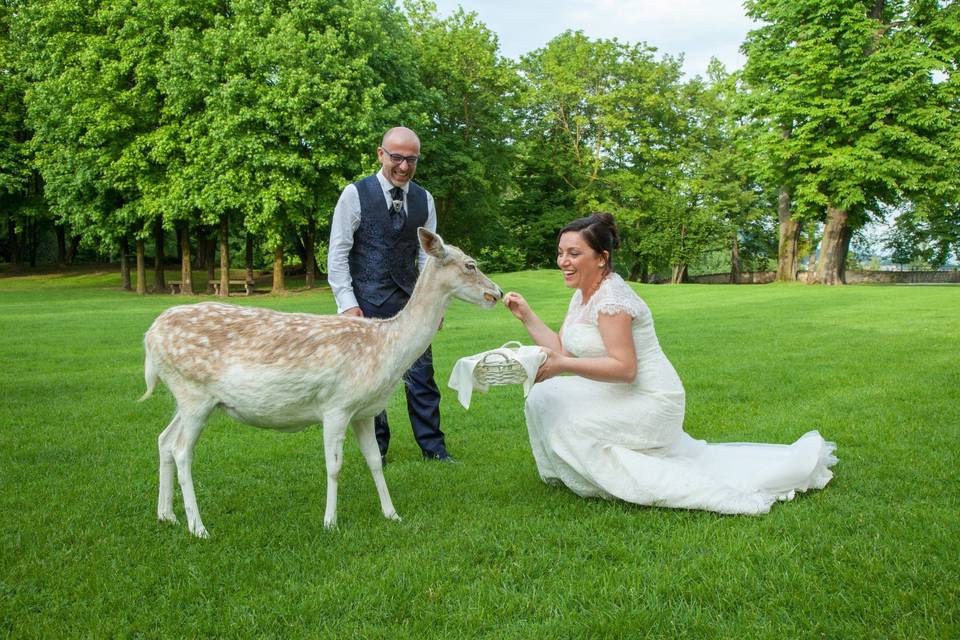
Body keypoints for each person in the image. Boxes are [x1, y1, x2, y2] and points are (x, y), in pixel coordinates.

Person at [503, 213, 836, 514]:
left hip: (651, 399)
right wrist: (527, 316)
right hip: (621, 393)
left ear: (602, 258)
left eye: (573, 253)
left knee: (569, 417)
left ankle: (614, 483)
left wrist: (563, 367)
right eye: (561, 252)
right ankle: (573, 475)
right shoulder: (582, 295)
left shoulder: (611, 300)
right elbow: (563, 349)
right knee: (544, 397)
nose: (563, 261)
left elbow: (624, 368)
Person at [327, 126, 455, 463]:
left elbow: (429, 258)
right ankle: (378, 450)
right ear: (381, 154)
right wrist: (347, 305)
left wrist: (435, 305)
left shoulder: (424, 199)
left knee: (422, 376)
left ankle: (434, 448)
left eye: (411, 159)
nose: (403, 166)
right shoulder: (354, 194)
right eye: (396, 157)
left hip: (411, 303)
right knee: (372, 379)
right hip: (365, 303)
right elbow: (338, 253)